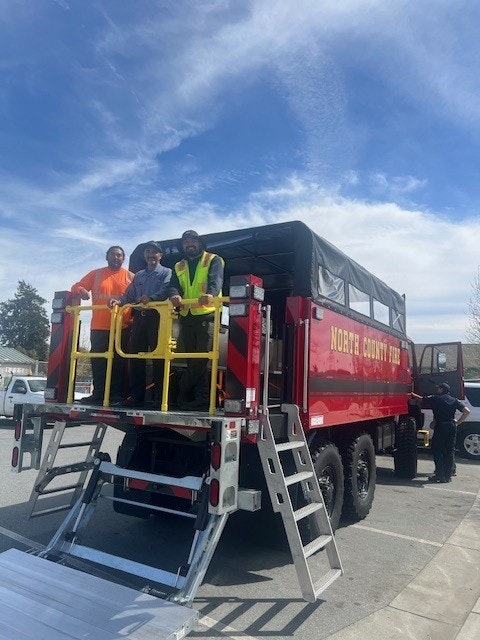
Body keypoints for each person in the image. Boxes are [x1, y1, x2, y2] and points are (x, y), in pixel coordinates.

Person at [110, 241, 171, 408]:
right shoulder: (139, 275)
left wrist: (150, 298)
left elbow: (166, 290)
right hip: (140, 320)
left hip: (158, 319)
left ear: (160, 256)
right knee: (135, 358)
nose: (150, 255)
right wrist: (119, 300)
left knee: (159, 359)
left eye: (154, 252)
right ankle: (136, 397)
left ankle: (159, 399)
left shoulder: (167, 272)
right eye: (148, 252)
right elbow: (128, 295)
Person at [169, 230, 224, 411]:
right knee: (192, 359)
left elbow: (216, 280)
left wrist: (211, 293)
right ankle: (200, 398)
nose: (189, 244)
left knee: (201, 358)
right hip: (187, 316)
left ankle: (185, 392)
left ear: (200, 244)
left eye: (193, 241)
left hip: (207, 314)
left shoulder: (213, 259)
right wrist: (175, 295)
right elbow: (173, 286)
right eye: (186, 242)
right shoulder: (179, 266)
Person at [71, 246, 134, 404]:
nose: (116, 257)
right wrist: (82, 291)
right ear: (107, 257)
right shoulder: (96, 274)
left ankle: (114, 396)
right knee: (99, 362)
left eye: (119, 255)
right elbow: (76, 286)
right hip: (99, 327)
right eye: (113, 254)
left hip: (122, 327)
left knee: (118, 363)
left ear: (123, 258)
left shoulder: (131, 276)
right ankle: (98, 394)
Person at [413, 383, 470, 483]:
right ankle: (448, 476)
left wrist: (410, 393)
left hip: (441, 426)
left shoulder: (436, 398)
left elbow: (420, 399)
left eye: (438, 388)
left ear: (442, 389)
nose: (437, 390)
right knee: (449, 451)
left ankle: (439, 475)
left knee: (437, 450)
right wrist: (458, 422)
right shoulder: (454, 400)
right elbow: (466, 411)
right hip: (451, 426)